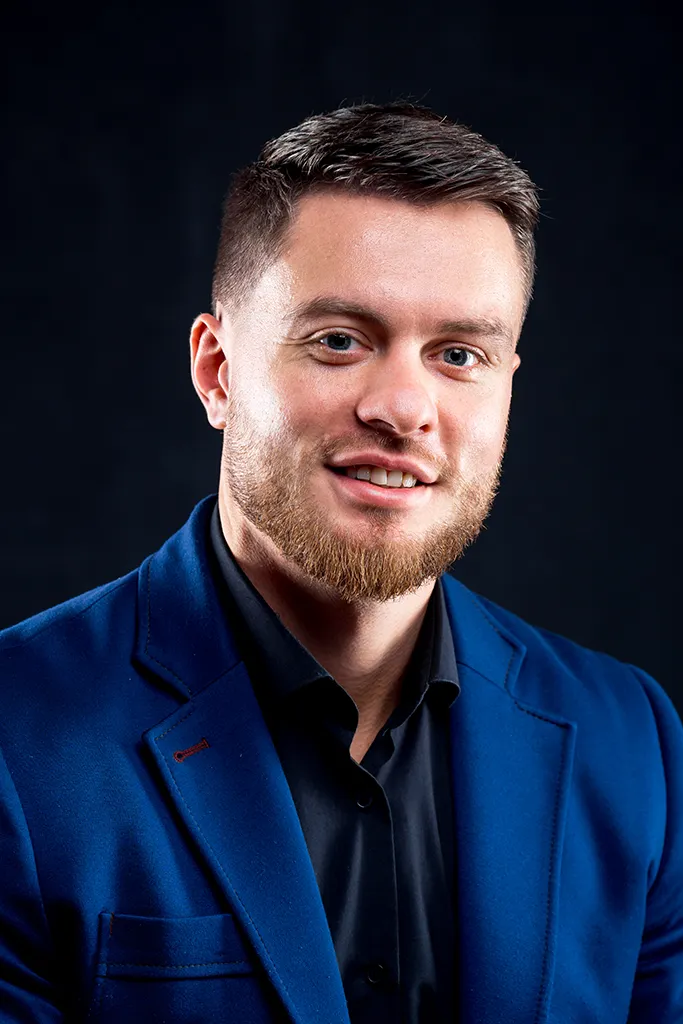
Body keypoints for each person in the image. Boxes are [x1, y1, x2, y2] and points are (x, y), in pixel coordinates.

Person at [0, 101, 681, 1024]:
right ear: (216, 370)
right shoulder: (17, 736)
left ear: (506, 389)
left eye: (458, 354)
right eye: (339, 341)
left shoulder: (632, 742)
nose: (403, 408)